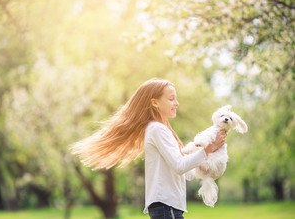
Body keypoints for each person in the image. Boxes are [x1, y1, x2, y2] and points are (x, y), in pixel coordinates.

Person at [71, 78, 227, 218]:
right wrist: (207, 150)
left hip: (168, 206)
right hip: (167, 206)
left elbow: (182, 172)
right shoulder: (157, 129)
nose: (176, 103)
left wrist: (204, 169)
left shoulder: (161, 130)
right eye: (171, 99)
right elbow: (180, 166)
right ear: (155, 102)